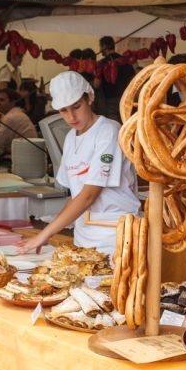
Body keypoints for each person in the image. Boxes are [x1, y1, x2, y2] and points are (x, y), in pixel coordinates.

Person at [17, 72, 140, 256]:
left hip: (115, 233)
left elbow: (89, 196)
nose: (71, 117)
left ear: (89, 97)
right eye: (63, 111)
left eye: (76, 106)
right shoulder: (70, 138)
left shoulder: (108, 131)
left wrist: (44, 235)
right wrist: (50, 231)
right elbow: (75, 196)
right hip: (84, 234)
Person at [94, 36, 136, 122]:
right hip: (126, 98)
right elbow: (134, 80)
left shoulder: (102, 63)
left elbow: (96, 85)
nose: (100, 49)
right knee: (127, 124)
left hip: (110, 101)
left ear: (104, 47)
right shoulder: (125, 61)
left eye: (100, 46)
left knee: (114, 127)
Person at [0, 88, 38, 154]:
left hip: (24, 157)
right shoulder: (17, 113)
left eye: (2, 100)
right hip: (29, 154)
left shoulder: (11, 117)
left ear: (13, 102)